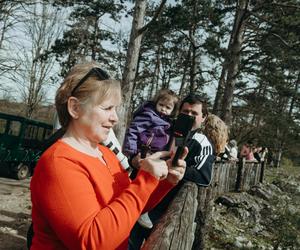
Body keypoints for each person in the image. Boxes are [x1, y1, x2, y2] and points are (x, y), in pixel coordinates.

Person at [29, 62, 187, 250]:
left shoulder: (105, 153)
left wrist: (163, 180)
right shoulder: (58, 163)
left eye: (115, 109)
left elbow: (128, 210)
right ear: (75, 108)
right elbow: (92, 242)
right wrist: (146, 179)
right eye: (107, 108)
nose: (115, 118)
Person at [129, 95, 229, 249]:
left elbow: (204, 177)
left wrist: (175, 167)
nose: (188, 116)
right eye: (185, 111)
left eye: (194, 113)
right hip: (136, 195)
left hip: (162, 210)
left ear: (203, 118)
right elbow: (137, 149)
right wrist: (134, 159)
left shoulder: (202, 142)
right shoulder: (163, 128)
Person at [122, 89, 179, 229]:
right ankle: (133, 208)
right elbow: (134, 130)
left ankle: (141, 208)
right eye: (161, 105)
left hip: (156, 154)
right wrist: (132, 150)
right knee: (140, 178)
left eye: (168, 107)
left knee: (150, 180)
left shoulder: (168, 121)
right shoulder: (148, 115)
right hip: (144, 151)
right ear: (156, 103)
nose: (164, 109)